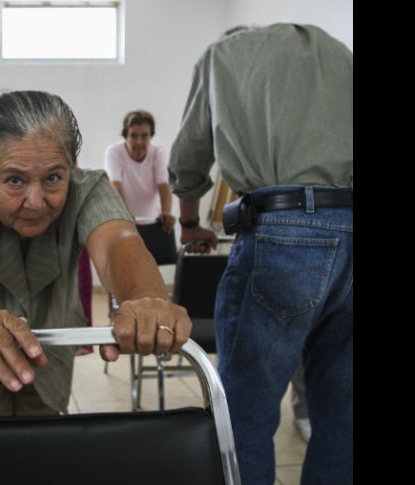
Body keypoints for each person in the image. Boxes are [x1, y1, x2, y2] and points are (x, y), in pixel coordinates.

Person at [0, 90, 193, 416]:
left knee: (43, 433)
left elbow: (118, 241)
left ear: (71, 169)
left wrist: (146, 300)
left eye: (53, 178)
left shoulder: (88, 188)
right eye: (14, 180)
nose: (36, 201)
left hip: (51, 361)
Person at [168, 24, 352, 485]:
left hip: (285, 232)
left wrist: (189, 222)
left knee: (245, 409)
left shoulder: (222, 55)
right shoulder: (334, 50)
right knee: (343, 411)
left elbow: (190, 156)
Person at [104, 110, 175, 233]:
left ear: (151, 136)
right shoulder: (114, 152)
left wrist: (166, 212)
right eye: (134, 136)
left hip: (153, 222)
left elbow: (163, 185)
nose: (139, 142)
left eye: (144, 136)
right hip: (124, 220)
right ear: (125, 136)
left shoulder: (158, 152)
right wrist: (125, 217)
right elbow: (116, 186)